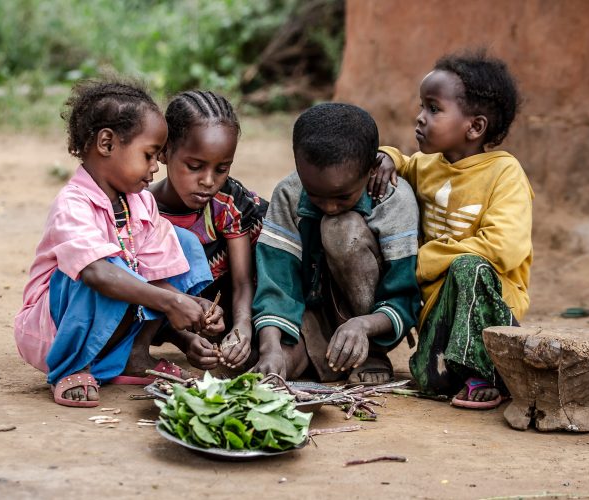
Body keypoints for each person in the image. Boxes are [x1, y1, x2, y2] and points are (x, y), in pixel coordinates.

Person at [14, 78, 223, 408]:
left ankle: (135, 356)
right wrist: (170, 304)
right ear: (107, 143)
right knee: (102, 268)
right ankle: (71, 368)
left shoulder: (141, 203)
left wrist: (190, 313)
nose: (156, 167)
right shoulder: (73, 203)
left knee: (180, 243)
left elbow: (156, 275)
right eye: (150, 155)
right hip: (57, 328)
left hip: (115, 325)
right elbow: (97, 273)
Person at [379, 50, 533, 409]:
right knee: (432, 383)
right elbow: (403, 162)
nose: (419, 118)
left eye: (433, 109)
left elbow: (504, 248)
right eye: (421, 106)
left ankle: (489, 373)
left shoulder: (504, 174)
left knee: (469, 266)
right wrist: (386, 155)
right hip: (437, 305)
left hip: (490, 308)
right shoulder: (428, 165)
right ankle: (454, 368)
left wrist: (427, 258)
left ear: (475, 127)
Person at [250, 102, 421, 384]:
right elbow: (277, 280)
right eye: (315, 195)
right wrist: (270, 348)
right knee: (271, 368)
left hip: (370, 320)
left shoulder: (394, 200)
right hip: (311, 313)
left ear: (370, 171)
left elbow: (404, 295)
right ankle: (322, 352)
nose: (329, 206)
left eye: (342, 197)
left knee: (340, 228)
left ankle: (372, 352)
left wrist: (364, 325)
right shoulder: (289, 192)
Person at [149, 90, 266, 372]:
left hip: (230, 296)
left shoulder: (228, 202)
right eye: (194, 166)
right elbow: (145, 292)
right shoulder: (142, 211)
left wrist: (242, 327)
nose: (208, 181)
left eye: (222, 168)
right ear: (164, 152)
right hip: (169, 304)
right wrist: (185, 340)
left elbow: (242, 280)